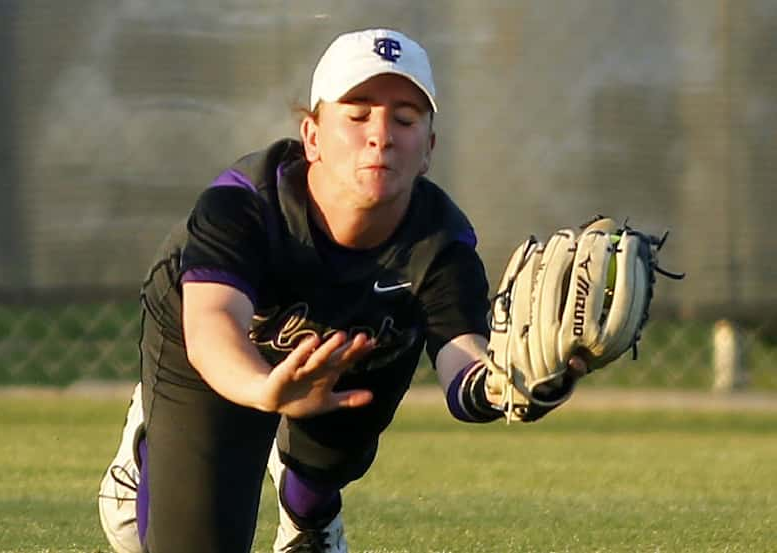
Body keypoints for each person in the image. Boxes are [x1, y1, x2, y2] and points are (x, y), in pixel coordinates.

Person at [98, 28, 585, 553]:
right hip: (214, 350)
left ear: (428, 149)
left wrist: (514, 386)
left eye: (405, 118)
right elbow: (212, 324)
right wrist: (265, 391)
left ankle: (309, 518)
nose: (381, 134)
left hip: (353, 346)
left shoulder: (439, 241)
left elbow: (462, 361)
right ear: (311, 137)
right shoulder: (245, 203)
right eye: (356, 114)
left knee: (341, 432)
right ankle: (157, 440)